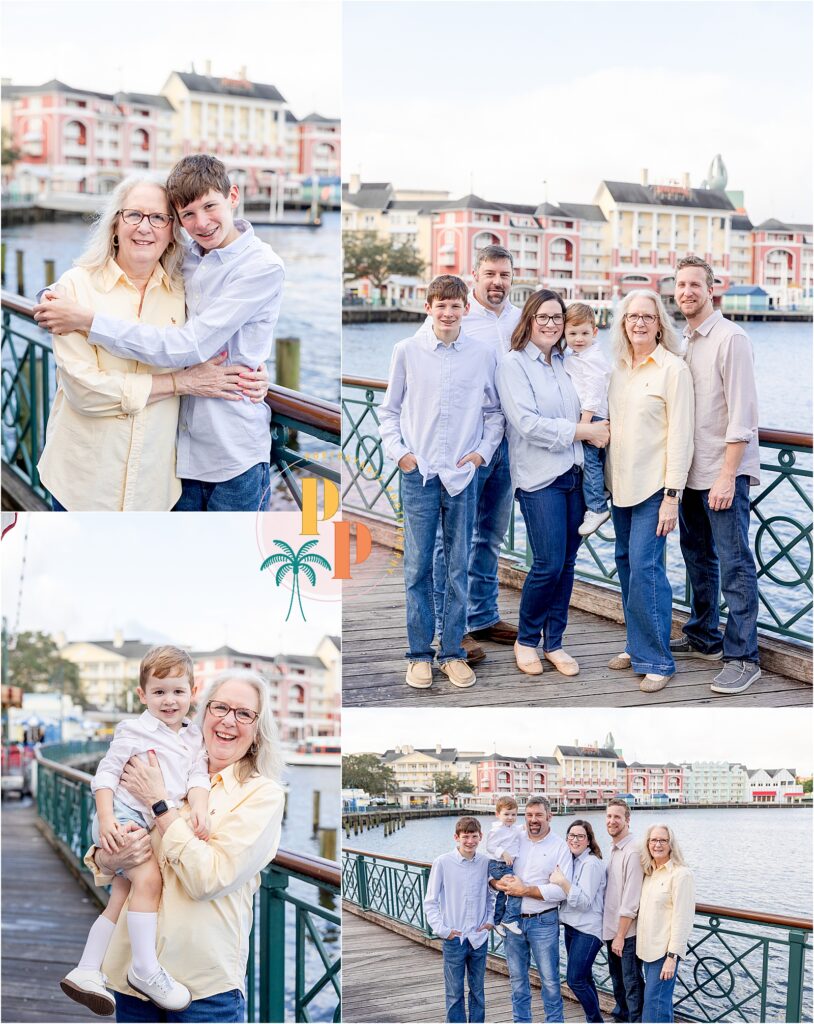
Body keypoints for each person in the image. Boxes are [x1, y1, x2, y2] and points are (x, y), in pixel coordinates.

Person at [34, 155, 285, 512]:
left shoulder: (250, 269)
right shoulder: (186, 261)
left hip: (224, 457)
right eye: (188, 215)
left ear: (233, 196)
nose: (202, 223)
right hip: (150, 467)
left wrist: (89, 321)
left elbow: (191, 346)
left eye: (157, 218)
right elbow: (84, 387)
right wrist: (48, 297)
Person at [79, 669, 285, 1022]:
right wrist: (108, 856)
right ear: (202, 713)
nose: (228, 721)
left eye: (244, 714)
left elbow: (209, 879)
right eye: (219, 708)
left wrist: (159, 804)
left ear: (257, 732)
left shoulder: (262, 794)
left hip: (202, 989)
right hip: (132, 982)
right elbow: (108, 858)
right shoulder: (167, 765)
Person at [61, 647, 210, 1015]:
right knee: (149, 882)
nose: (169, 700)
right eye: (159, 692)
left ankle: (87, 968)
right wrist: (107, 819)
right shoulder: (134, 729)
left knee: (122, 895)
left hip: (145, 819)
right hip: (123, 817)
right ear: (142, 695)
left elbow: (198, 776)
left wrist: (202, 806)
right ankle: (143, 969)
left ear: (193, 691)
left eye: (178, 691)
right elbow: (106, 775)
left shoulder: (194, 737)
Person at [379, 274, 503, 691]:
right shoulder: (407, 352)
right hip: (420, 474)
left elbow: (494, 412)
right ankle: (418, 654)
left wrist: (482, 453)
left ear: (466, 309)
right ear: (428, 307)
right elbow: (389, 412)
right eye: (441, 305)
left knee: (456, 566)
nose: (448, 313)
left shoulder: (482, 355)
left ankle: (451, 652)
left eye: (455, 306)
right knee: (416, 566)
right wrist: (403, 456)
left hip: (462, 475)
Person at [495, 290, 609, 678]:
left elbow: (598, 391)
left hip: (576, 475)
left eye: (557, 318)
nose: (551, 324)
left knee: (568, 563)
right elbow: (527, 424)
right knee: (547, 562)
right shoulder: (512, 365)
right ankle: (526, 640)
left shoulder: (568, 362)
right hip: (540, 477)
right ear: (528, 320)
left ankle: (554, 642)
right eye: (543, 317)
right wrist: (584, 431)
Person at [672, 255, 762, 695]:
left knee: (735, 564)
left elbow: (742, 415)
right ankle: (704, 636)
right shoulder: (684, 339)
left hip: (722, 474)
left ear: (712, 289)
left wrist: (728, 476)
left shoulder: (731, 338)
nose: (687, 291)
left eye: (695, 284)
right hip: (690, 472)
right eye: (681, 285)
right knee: (698, 559)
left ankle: (744, 656)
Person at [432, 245, 522, 664]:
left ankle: (483, 615)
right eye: (489, 274)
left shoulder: (523, 318)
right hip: (467, 447)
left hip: (511, 442)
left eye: (504, 275)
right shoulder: (457, 318)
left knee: (490, 534)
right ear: (475, 275)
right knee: (452, 539)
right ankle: (449, 628)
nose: (497, 282)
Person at [605, 290, 694, 693]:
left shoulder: (672, 370)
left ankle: (658, 658)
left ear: (660, 323)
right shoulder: (618, 368)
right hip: (618, 486)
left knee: (646, 572)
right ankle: (636, 643)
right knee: (626, 567)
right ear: (623, 324)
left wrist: (671, 497)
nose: (638, 323)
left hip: (654, 490)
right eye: (631, 317)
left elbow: (681, 438)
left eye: (647, 316)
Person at [491, 795, 571, 1023]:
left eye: (538, 815)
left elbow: (562, 891)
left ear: (549, 816)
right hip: (512, 921)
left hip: (543, 921)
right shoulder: (513, 836)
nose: (533, 820)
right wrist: (496, 884)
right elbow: (491, 867)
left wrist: (525, 890)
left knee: (550, 981)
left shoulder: (560, 847)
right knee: (517, 980)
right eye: (528, 815)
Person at [423, 816, 495, 1023]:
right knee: (454, 993)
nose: (470, 841)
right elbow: (430, 901)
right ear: (456, 837)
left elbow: (492, 896)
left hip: (478, 938)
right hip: (454, 938)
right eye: (465, 836)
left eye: (474, 836)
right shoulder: (443, 862)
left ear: (480, 837)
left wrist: (489, 920)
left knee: (478, 992)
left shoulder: (486, 863)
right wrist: (443, 930)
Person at [550, 820, 607, 1023]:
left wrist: (563, 882)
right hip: (572, 927)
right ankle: (594, 1019)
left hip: (589, 930)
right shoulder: (572, 861)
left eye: (580, 836)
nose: (575, 840)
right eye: (571, 836)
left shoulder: (590, 863)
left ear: (589, 840)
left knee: (575, 980)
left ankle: (595, 1020)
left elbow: (583, 903)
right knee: (585, 978)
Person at [563, 303, 613, 537]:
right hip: (590, 415)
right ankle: (601, 492)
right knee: (594, 460)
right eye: (572, 334)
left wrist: (585, 423)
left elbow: (593, 392)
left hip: (592, 416)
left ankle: (597, 507)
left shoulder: (591, 358)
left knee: (590, 460)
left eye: (584, 333)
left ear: (594, 332)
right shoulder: (577, 355)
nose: (578, 339)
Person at [637, 825, 695, 1023]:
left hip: (664, 954)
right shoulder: (650, 873)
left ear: (671, 844)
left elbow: (683, 918)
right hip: (646, 950)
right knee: (660, 1005)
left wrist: (672, 956)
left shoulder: (681, 875)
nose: (657, 844)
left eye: (663, 840)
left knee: (653, 1008)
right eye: (653, 840)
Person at [602, 799, 644, 1023]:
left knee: (631, 985)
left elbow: (631, 899)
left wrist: (620, 935)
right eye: (609, 816)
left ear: (627, 820)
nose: (612, 821)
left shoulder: (633, 851)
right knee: (618, 983)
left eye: (617, 817)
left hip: (626, 934)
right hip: (613, 931)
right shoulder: (615, 848)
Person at [483, 796, 523, 937]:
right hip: (499, 865)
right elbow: (490, 846)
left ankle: (498, 921)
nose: (510, 817)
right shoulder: (497, 830)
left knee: (502, 895)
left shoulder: (512, 828)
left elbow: (519, 830)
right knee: (516, 890)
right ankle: (509, 919)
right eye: (506, 814)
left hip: (503, 865)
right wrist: (504, 853)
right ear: (497, 814)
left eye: (513, 814)